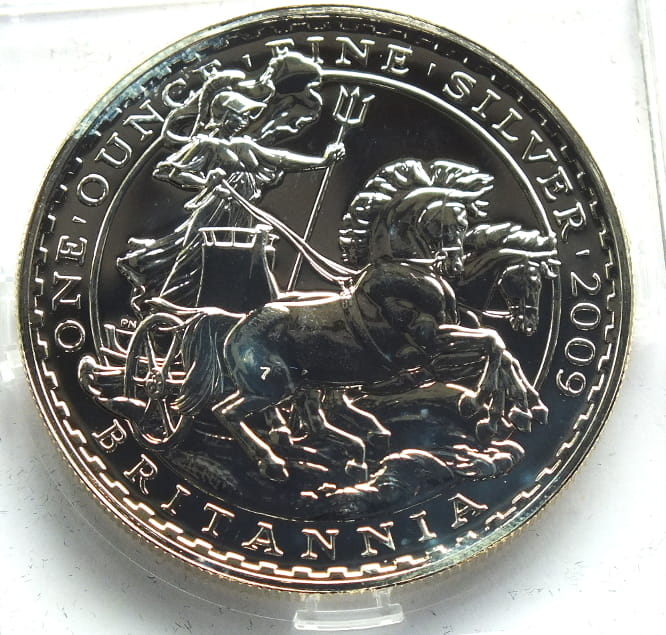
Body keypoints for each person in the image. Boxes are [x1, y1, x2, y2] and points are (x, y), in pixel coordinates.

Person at [118, 52, 344, 315]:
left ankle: (234, 306)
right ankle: (170, 306)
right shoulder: (205, 145)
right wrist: (207, 182)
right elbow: (168, 171)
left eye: (246, 116)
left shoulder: (244, 145)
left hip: (241, 211)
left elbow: (281, 159)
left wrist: (323, 161)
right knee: (195, 257)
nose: (244, 120)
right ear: (224, 116)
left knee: (238, 258)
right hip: (213, 210)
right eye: (239, 116)